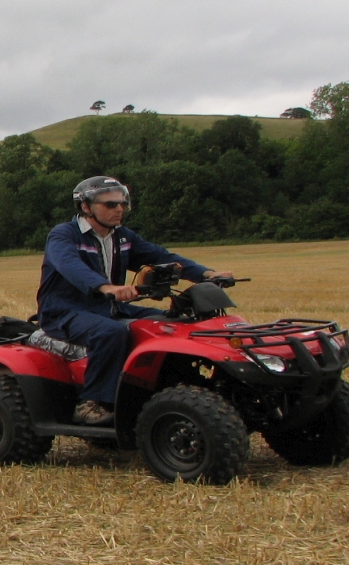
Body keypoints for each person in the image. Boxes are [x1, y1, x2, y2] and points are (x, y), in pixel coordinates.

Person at [37, 176, 234, 425]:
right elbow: (71, 266)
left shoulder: (122, 237)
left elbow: (163, 257)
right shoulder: (64, 235)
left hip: (108, 307)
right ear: (86, 207)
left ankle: (166, 391)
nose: (119, 209)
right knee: (111, 333)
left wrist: (206, 274)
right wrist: (106, 287)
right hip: (65, 311)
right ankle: (91, 403)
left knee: (167, 324)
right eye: (110, 204)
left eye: (122, 203)